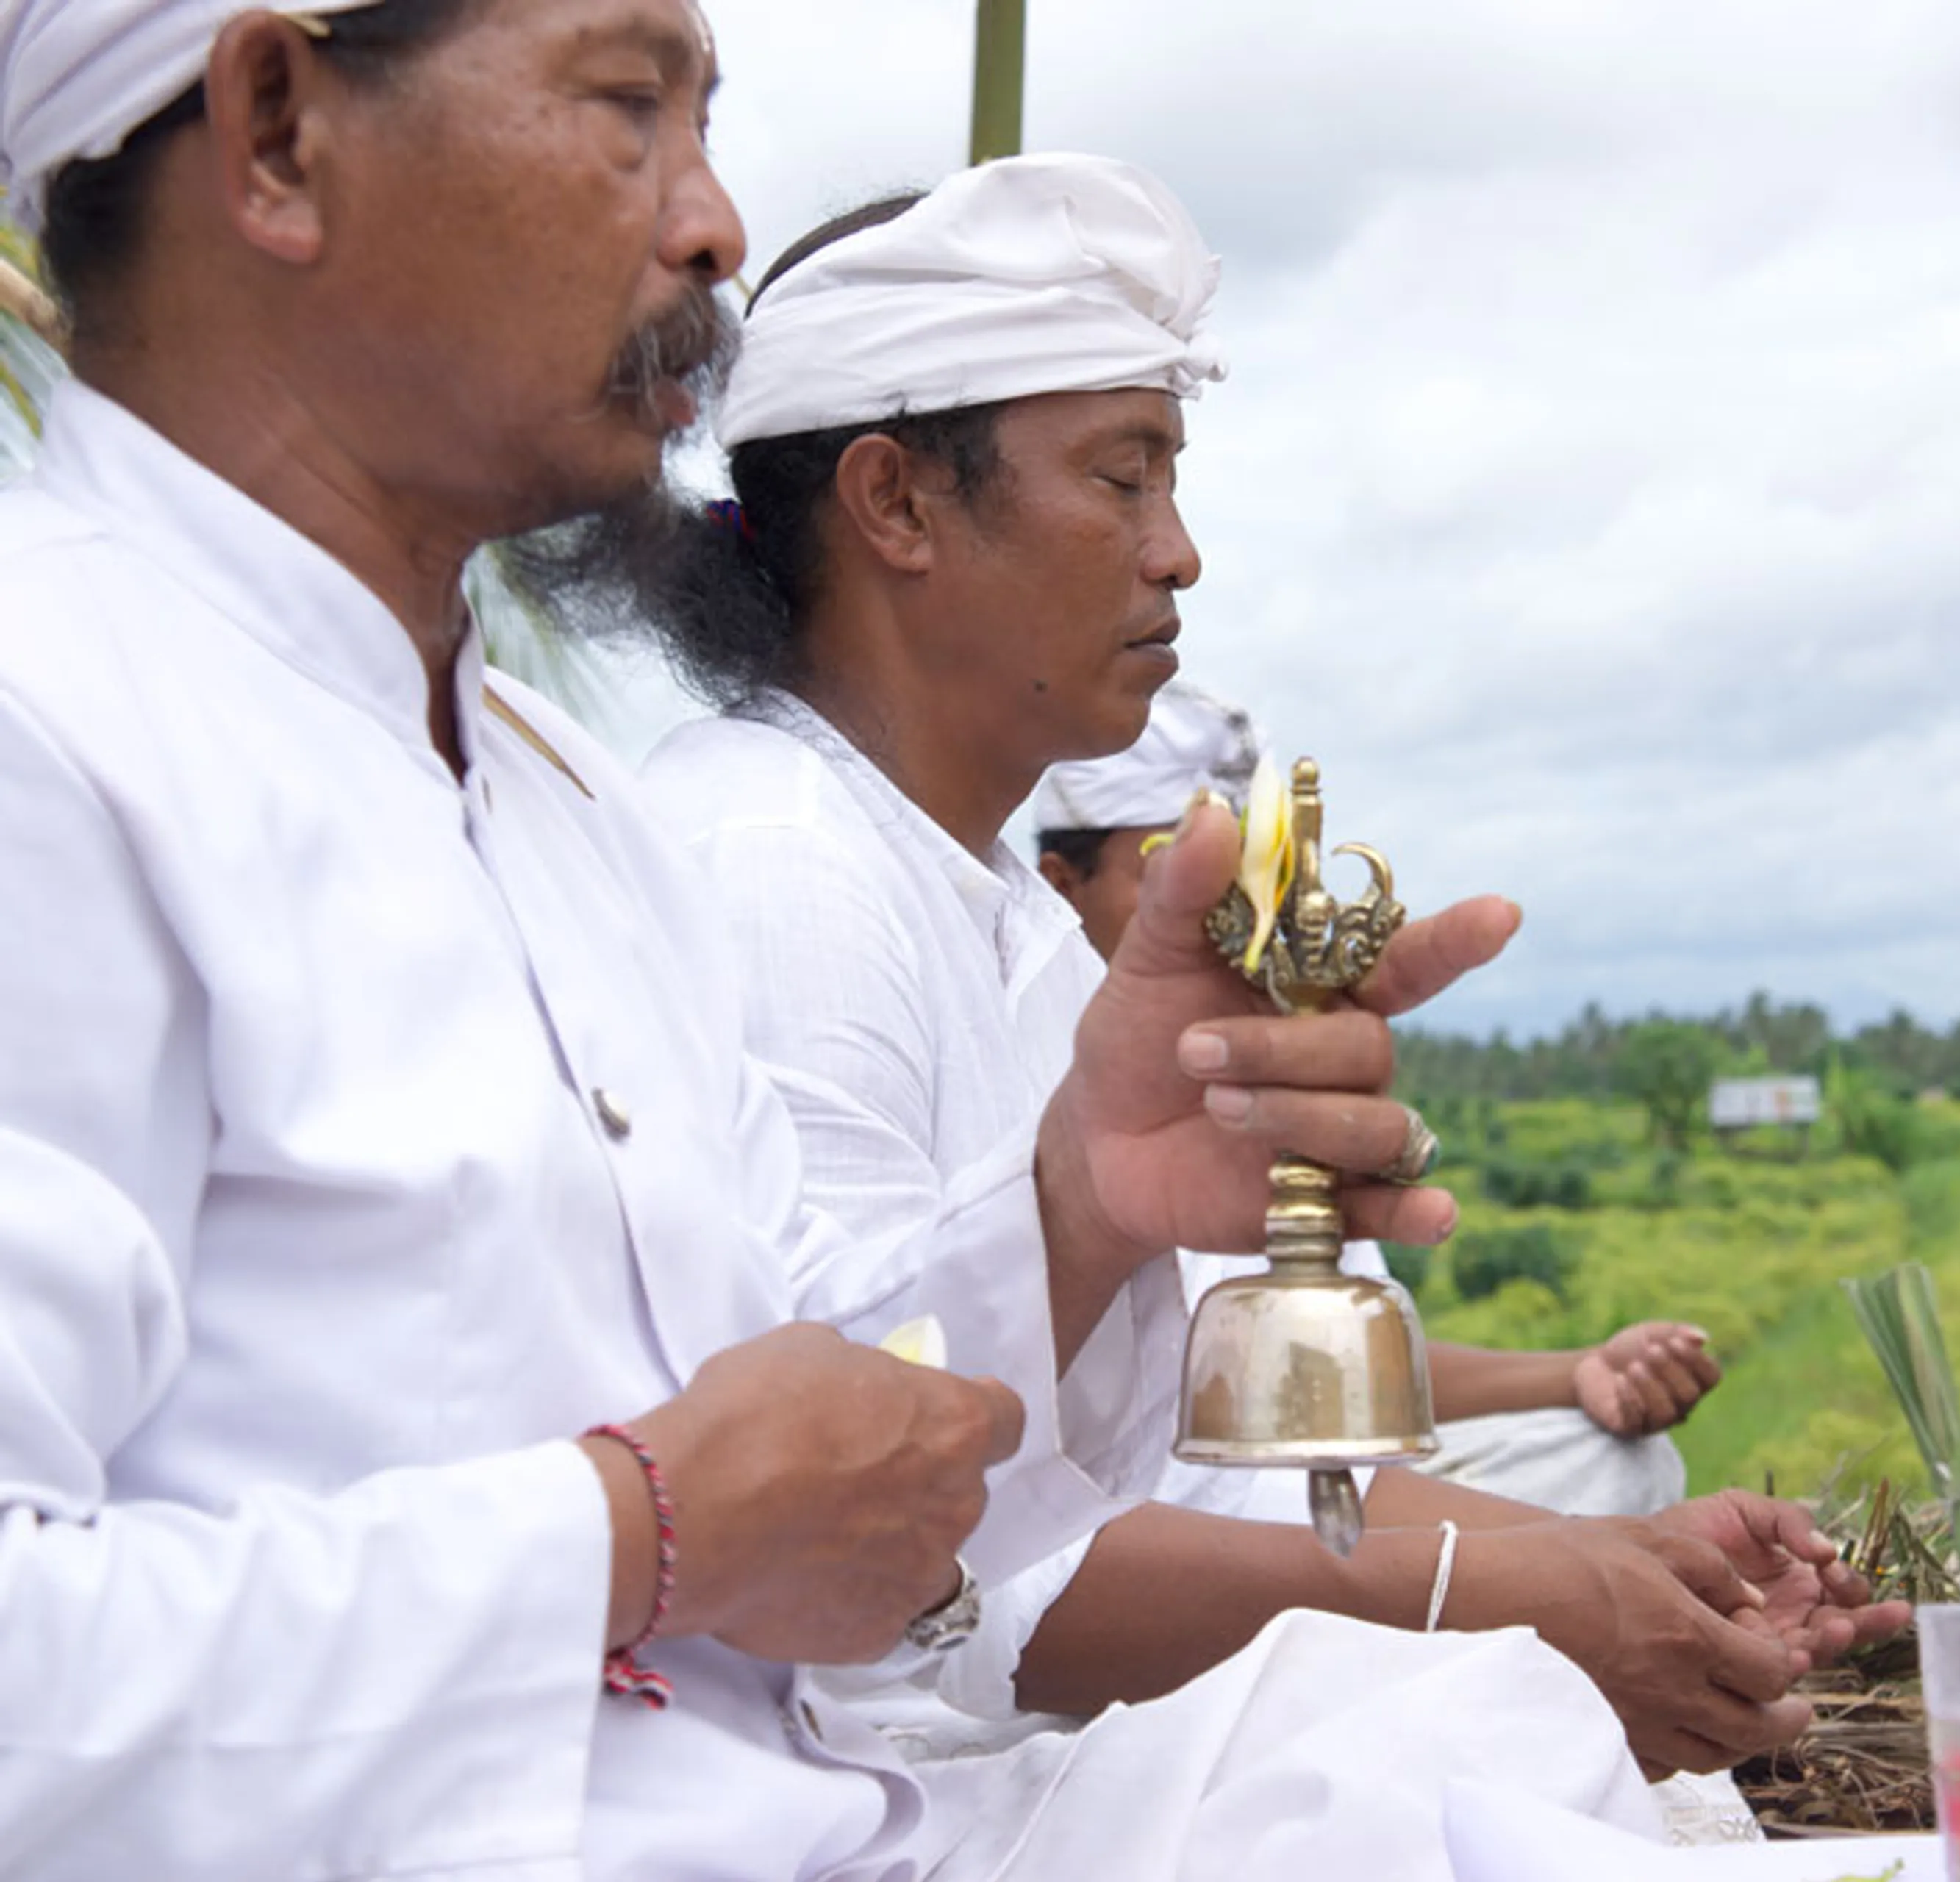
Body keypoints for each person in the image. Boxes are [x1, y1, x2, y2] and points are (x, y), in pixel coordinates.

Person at [0, 7, 1664, 1878]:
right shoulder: (53, 726)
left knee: (1473, 1741)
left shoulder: (563, 813)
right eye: (628, 108)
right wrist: (634, 1533)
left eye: (707, 124)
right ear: (279, 131)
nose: (712, 223)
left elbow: (852, 1530)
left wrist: (1075, 1212)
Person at [609, 162, 1898, 1786]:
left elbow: (1172, 1477)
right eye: (1122, 477)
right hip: (875, 1798)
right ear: (895, 504)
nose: (1181, 554)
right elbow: (913, 1583)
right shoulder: (777, 861)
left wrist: (1617, 1565)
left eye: (1172, 480)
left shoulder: (983, 891)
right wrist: (1528, 1600)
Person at [1036, 677, 1718, 1517]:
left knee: (1614, 1465)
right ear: (1060, 886)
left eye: (1250, 878)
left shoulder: (1270, 1066)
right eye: (1169, 876)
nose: (1225, 915)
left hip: (1314, 1489)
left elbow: (1339, 1371)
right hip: (1153, 1527)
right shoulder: (1028, 1067)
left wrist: (1574, 1370)